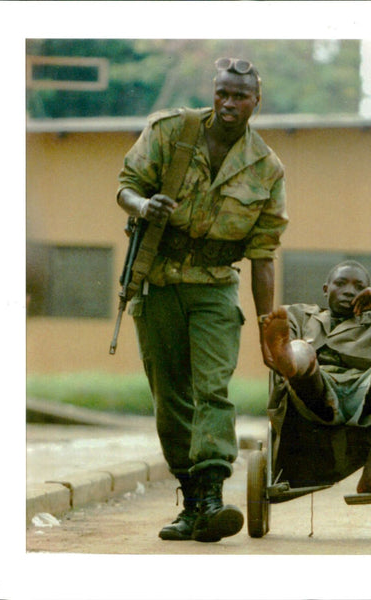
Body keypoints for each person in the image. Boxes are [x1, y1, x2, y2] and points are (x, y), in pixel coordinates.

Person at [116, 57, 288, 542]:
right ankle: (192, 505)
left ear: (257, 101)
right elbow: (126, 187)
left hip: (214, 287)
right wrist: (144, 205)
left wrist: (266, 326)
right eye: (222, 93)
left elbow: (264, 253)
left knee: (211, 389)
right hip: (159, 282)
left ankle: (212, 493)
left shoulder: (267, 168)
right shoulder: (171, 131)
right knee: (169, 398)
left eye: (239, 96)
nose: (228, 103)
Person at [260, 260, 371, 499]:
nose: (349, 290)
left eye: (359, 286)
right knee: (303, 350)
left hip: (366, 393)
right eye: (340, 283)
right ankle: (288, 357)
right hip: (315, 391)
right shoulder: (299, 315)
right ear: (326, 289)